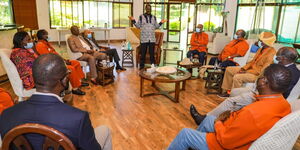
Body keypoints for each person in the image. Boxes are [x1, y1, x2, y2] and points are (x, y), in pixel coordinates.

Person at [0, 54, 112, 150]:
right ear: (65, 80)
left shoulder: (6, 114)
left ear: (34, 78)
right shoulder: (78, 118)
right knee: (105, 130)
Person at [168, 64, 292, 150]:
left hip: (225, 144)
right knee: (207, 120)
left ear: (264, 82)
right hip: (236, 132)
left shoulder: (252, 112)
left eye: (260, 77)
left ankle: (191, 143)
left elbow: (226, 141)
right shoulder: (284, 104)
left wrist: (218, 123)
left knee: (185, 134)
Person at [219, 31, 276, 98]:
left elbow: (262, 71)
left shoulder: (271, 53)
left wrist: (246, 71)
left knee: (237, 77)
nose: (258, 42)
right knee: (229, 69)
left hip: (257, 75)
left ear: (266, 42)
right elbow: (252, 62)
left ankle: (234, 96)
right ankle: (228, 91)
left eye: (260, 40)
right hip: (250, 69)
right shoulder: (261, 49)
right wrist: (243, 68)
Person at [36, 29, 88, 95]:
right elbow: (48, 59)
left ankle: (79, 81)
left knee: (76, 63)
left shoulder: (46, 43)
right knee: (70, 68)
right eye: (47, 34)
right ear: (42, 36)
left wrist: (64, 60)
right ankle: (75, 89)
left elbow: (55, 53)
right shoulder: (40, 45)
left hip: (59, 61)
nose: (48, 36)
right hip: (53, 66)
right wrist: (63, 63)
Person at [128, 4, 167, 69]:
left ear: (151, 9)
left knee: (152, 54)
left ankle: (153, 67)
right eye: (147, 8)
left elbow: (156, 26)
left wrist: (161, 22)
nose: (149, 9)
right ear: (146, 9)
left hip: (152, 39)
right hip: (144, 39)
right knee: (143, 54)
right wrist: (133, 20)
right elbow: (138, 26)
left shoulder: (154, 17)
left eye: (150, 8)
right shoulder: (141, 16)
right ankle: (141, 67)